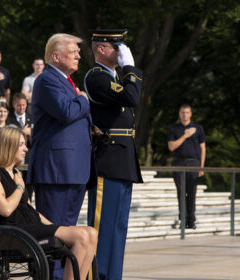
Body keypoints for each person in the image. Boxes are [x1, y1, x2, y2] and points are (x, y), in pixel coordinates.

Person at [0, 127, 97, 280]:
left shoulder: (16, 173)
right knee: (82, 236)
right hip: (12, 231)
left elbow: (29, 209)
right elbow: (6, 209)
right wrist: (20, 187)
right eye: (21, 144)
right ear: (8, 145)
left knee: (91, 233)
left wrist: (54, 226)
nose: (26, 148)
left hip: (30, 226)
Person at [26, 33, 93, 280]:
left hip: (73, 170)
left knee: (68, 237)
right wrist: (84, 100)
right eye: (73, 50)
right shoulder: (47, 80)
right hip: (56, 171)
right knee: (53, 237)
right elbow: (67, 111)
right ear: (56, 56)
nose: (78, 55)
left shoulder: (66, 81)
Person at [84, 29, 143, 280]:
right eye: (116, 47)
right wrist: (130, 67)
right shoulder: (97, 78)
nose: (121, 52)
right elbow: (132, 97)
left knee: (118, 230)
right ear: (101, 49)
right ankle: (96, 276)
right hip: (107, 162)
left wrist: (126, 70)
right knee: (102, 229)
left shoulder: (114, 77)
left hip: (122, 161)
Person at [168, 104, 206, 229]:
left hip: (194, 164)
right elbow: (171, 147)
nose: (185, 115)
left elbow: (203, 148)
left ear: (190, 114)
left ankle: (191, 221)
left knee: (192, 193)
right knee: (181, 193)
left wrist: (201, 167)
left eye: (187, 112)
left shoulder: (198, 128)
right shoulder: (174, 129)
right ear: (179, 114)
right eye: (182, 112)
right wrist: (185, 135)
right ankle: (183, 221)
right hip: (178, 163)